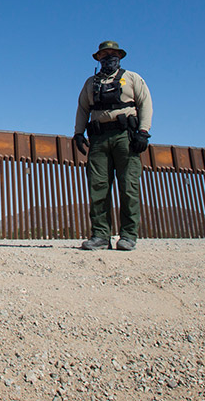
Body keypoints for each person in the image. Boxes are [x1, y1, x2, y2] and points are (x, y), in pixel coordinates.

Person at [73, 40, 153, 251]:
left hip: (125, 137)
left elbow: (145, 103)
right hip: (99, 139)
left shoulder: (133, 78)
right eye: (104, 54)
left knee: (129, 186)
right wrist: (78, 134)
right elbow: (83, 108)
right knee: (97, 187)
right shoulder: (90, 83)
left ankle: (128, 235)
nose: (108, 57)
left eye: (112, 54)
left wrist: (143, 132)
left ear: (119, 56)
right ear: (98, 58)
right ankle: (100, 235)